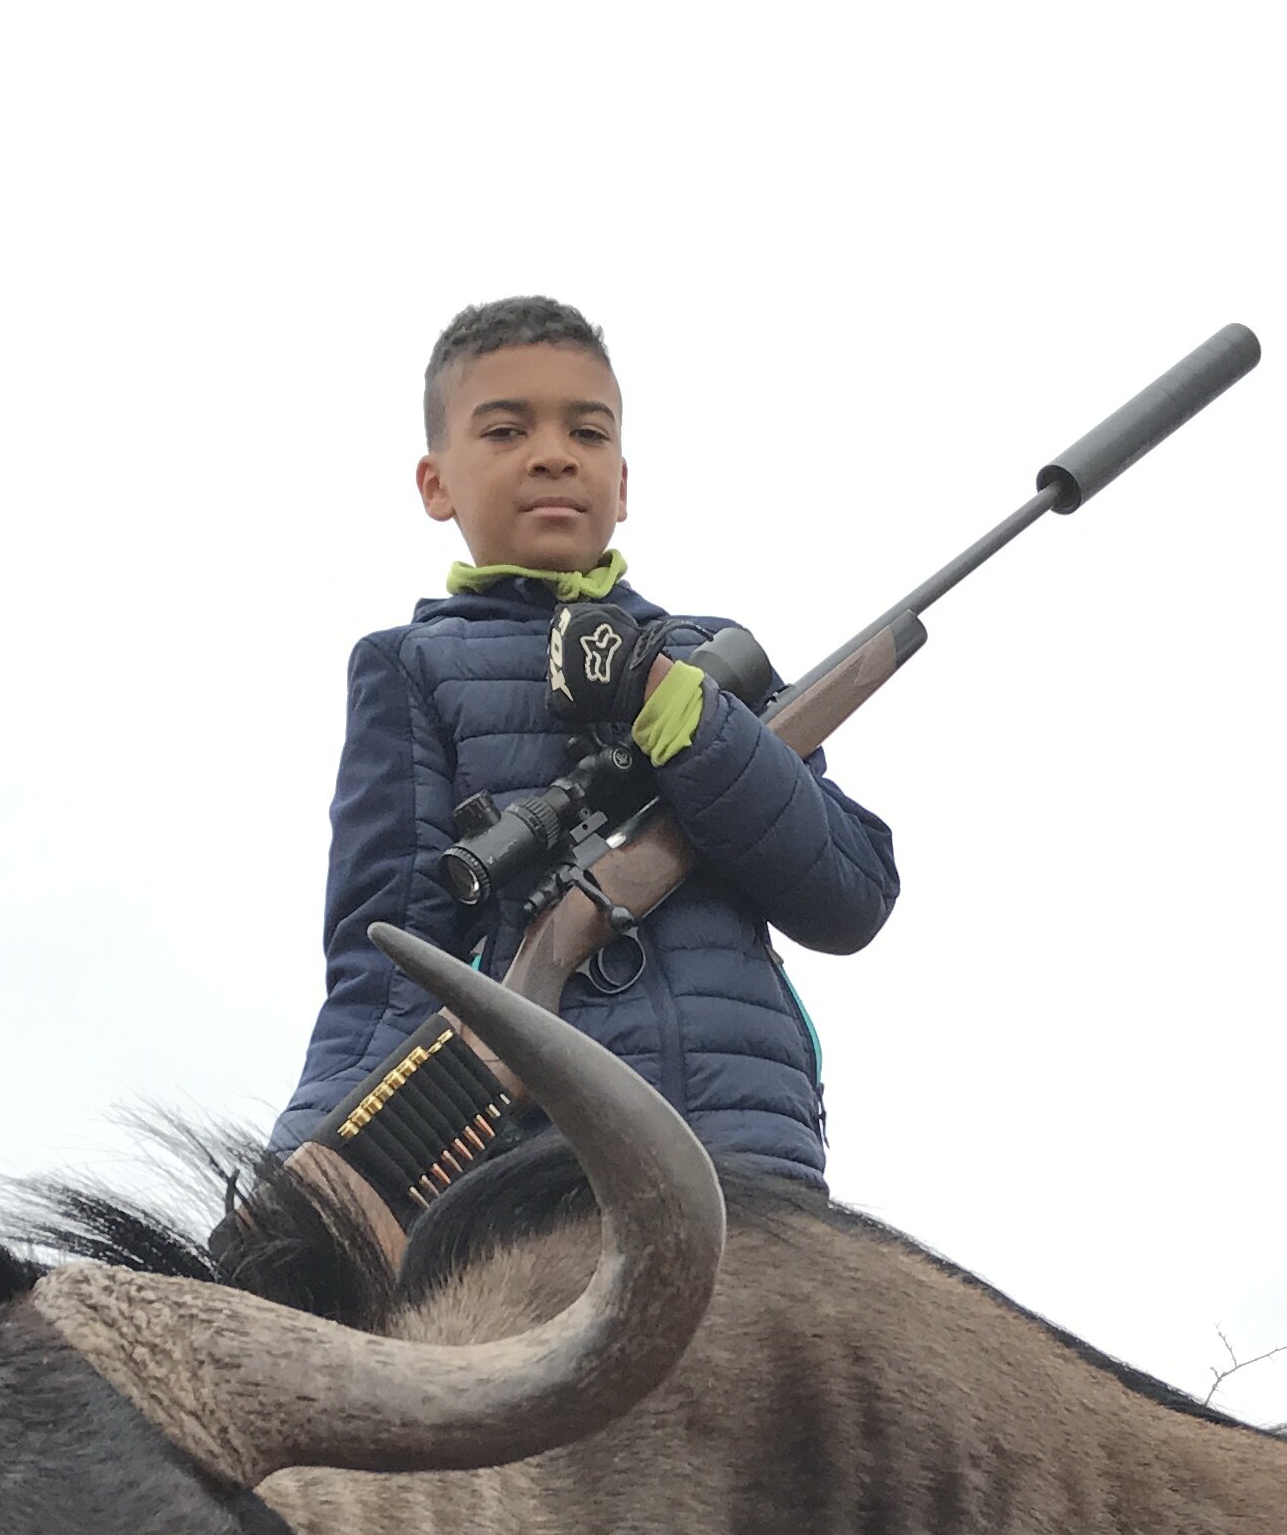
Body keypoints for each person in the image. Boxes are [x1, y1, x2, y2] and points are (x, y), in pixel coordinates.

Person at [266, 297, 898, 1191]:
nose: (555, 453)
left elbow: (853, 890)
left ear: (625, 483)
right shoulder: (412, 666)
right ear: (435, 483)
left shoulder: (709, 659)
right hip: (531, 1182)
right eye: (505, 430)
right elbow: (388, 957)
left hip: (756, 1158)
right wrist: (306, 1167)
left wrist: (685, 717)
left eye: (588, 432)